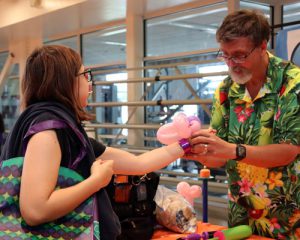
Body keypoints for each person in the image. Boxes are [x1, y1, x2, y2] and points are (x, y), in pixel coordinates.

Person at [0, 45, 189, 240]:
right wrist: (96, 182)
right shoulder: (47, 131)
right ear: (65, 81)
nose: (89, 83)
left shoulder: (69, 135)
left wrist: (185, 146)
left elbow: (138, 164)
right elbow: (35, 211)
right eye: (84, 75)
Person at [186, 10, 300, 239]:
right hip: (242, 214)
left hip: (289, 215)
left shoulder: (292, 84)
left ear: (262, 46)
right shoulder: (226, 90)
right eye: (226, 55)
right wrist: (202, 152)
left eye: (239, 55)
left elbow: (289, 150)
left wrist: (232, 150)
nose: (232, 64)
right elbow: (220, 156)